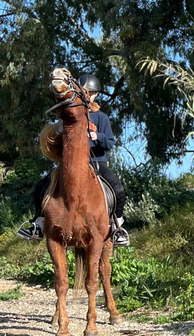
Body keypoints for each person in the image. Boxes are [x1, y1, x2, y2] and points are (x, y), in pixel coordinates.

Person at [17, 74, 130, 246]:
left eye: (90, 93)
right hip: (70, 165)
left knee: (118, 189)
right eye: (84, 93)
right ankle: (38, 225)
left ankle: (117, 228)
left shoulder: (101, 117)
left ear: (96, 95)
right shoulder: (69, 116)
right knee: (40, 186)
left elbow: (110, 143)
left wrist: (97, 136)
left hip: (96, 162)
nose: (87, 96)